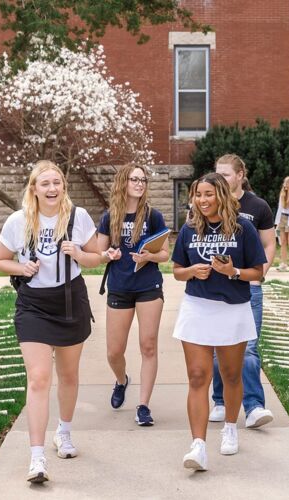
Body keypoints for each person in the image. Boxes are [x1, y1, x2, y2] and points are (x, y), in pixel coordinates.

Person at [0, 160, 105, 484]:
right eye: (45, 183)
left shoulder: (78, 217)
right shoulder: (18, 221)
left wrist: (78, 254)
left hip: (70, 302)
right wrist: (21, 268)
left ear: (63, 187)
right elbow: (0, 260)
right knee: (39, 378)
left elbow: (96, 257)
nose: (52, 189)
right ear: (34, 188)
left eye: (57, 182)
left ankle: (64, 433)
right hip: (34, 307)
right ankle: (37, 457)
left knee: (68, 375)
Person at [172, 172, 266, 471]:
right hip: (197, 307)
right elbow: (176, 269)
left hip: (232, 310)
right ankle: (198, 446)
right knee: (198, 376)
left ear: (221, 195)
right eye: (198, 195)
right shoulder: (189, 230)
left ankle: (229, 427)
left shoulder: (244, 229)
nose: (202, 200)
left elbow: (258, 272)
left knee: (231, 375)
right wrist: (192, 271)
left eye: (208, 194)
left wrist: (232, 272)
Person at [96, 163, 169, 426]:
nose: (139, 183)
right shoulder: (110, 217)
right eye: (134, 179)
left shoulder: (153, 216)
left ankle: (143, 406)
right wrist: (109, 255)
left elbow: (165, 253)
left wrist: (150, 255)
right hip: (119, 287)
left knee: (148, 346)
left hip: (148, 286)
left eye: (143, 179)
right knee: (114, 352)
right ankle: (121, 380)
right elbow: (98, 253)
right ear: (123, 183)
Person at [211, 154, 276, 428]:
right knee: (217, 346)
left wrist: (260, 274)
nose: (220, 179)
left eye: (225, 174)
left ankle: (254, 407)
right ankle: (220, 401)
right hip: (216, 289)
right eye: (217, 174)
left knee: (248, 347)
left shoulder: (257, 206)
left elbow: (269, 244)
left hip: (248, 286)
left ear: (240, 175)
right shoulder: (209, 203)